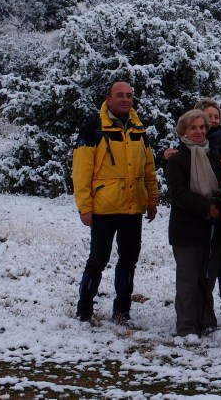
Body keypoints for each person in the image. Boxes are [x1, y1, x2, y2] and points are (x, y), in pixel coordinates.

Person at [73, 81, 158, 324]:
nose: (125, 99)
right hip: (104, 207)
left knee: (129, 260)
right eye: (120, 95)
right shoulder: (94, 127)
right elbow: (81, 170)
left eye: (129, 96)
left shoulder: (139, 128)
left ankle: (122, 310)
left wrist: (152, 200)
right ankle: (85, 309)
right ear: (108, 99)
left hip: (133, 207)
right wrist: (85, 207)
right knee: (98, 260)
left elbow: (149, 168)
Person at [165, 109, 221, 336]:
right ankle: (187, 325)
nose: (199, 131)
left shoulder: (213, 155)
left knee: (208, 278)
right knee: (188, 279)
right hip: (187, 228)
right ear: (184, 131)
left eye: (202, 127)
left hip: (213, 227)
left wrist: (220, 203)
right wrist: (206, 207)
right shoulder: (177, 159)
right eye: (194, 128)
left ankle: (207, 321)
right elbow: (178, 194)